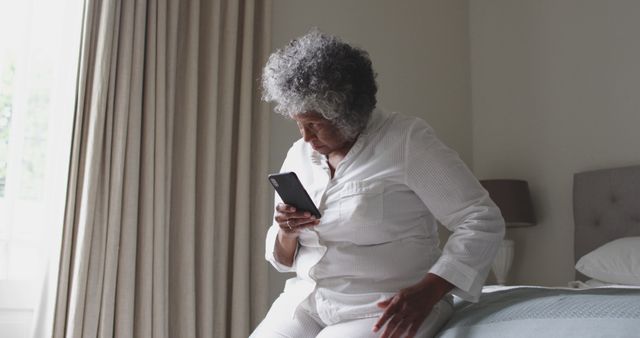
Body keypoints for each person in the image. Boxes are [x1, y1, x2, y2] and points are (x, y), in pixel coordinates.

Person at [250, 30, 505, 338]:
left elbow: (480, 219)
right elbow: (283, 260)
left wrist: (431, 290)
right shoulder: (299, 155)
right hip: (306, 302)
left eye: (314, 124)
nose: (305, 137)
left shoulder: (406, 141)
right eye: (298, 123)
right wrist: (287, 231)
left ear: (347, 113)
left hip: (383, 308)